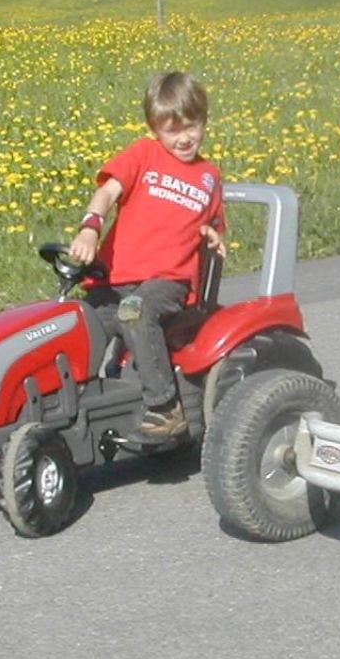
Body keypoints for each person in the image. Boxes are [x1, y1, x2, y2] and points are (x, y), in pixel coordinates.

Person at [69, 71, 226, 441]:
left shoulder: (209, 176)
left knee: (136, 311)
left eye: (192, 126)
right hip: (119, 280)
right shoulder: (143, 155)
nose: (184, 138)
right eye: (172, 130)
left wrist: (214, 236)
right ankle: (81, 402)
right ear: (155, 128)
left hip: (169, 283)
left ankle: (165, 407)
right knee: (79, 323)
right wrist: (90, 227)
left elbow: (215, 226)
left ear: (204, 120)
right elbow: (107, 193)